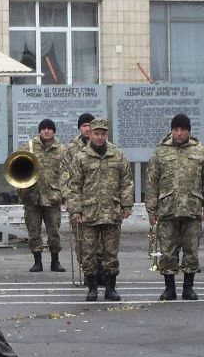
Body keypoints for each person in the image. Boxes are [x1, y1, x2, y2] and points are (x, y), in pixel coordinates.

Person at [145, 114, 204, 301]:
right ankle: (169, 288)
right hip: (167, 210)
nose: (179, 133)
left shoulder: (200, 151)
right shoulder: (161, 151)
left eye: (183, 129)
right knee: (168, 251)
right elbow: (152, 182)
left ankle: (188, 288)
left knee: (191, 250)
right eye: (176, 129)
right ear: (171, 130)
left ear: (189, 131)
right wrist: (151, 210)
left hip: (192, 209)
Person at [66, 119, 134, 301]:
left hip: (111, 212)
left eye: (103, 134)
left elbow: (126, 182)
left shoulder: (117, 155)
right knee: (88, 254)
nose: (99, 137)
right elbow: (74, 186)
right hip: (88, 214)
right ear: (91, 134)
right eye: (96, 133)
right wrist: (75, 211)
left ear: (107, 134)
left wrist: (126, 205)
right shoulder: (80, 157)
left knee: (111, 253)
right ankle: (92, 288)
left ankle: (110, 289)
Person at [17, 118, 66, 273]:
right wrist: (21, 191)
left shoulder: (62, 150)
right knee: (33, 231)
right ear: (39, 130)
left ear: (54, 131)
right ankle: (37, 261)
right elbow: (18, 168)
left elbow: (67, 173)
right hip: (32, 197)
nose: (46, 131)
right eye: (43, 128)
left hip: (52, 197)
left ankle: (55, 261)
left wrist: (64, 193)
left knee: (54, 231)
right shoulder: (29, 147)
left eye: (49, 128)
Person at [65, 113, 107, 285]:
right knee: (83, 242)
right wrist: (69, 199)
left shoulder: (104, 146)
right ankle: (89, 273)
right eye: (84, 126)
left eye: (90, 126)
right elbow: (65, 175)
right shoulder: (72, 148)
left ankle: (102, 273)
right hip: (80, 203)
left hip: (100, 203)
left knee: (103, 243)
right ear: (80, 128)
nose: (87, 129)